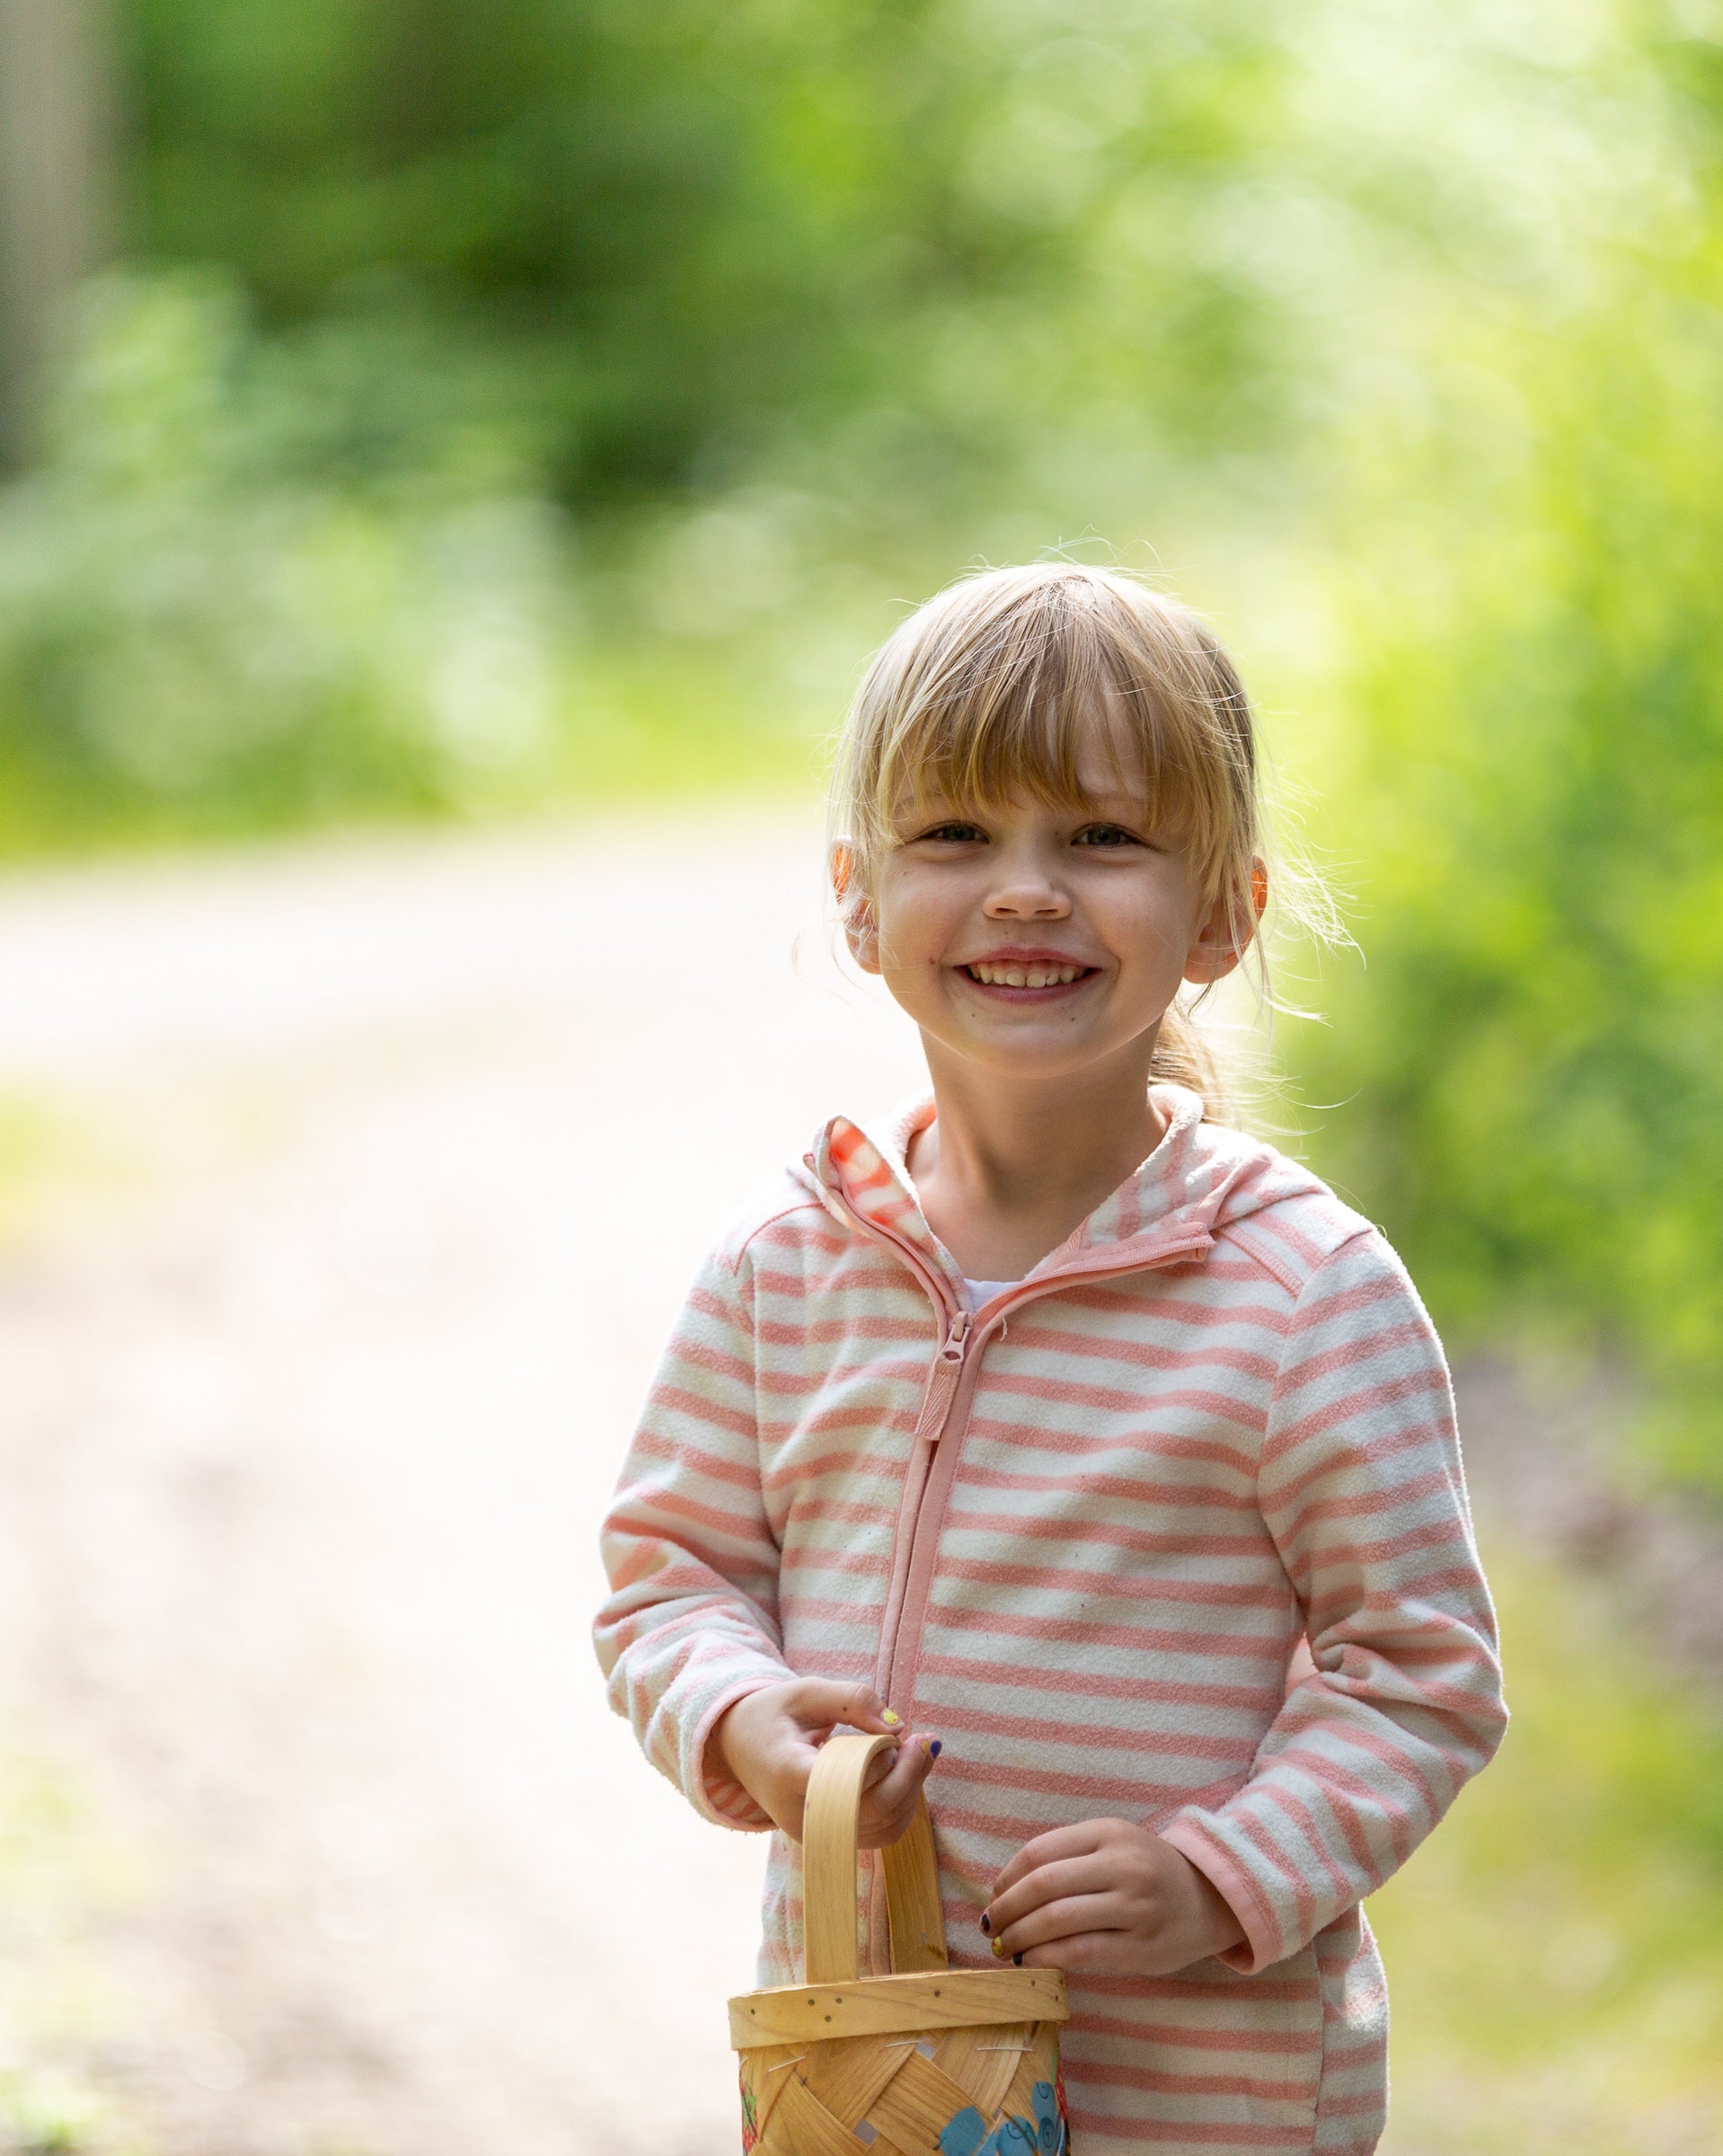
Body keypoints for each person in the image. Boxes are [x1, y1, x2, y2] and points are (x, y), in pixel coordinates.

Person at [591, 561, 1506, 2150]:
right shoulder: (788, 1264)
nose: (1025, 889)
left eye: (1101, 838)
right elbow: (667, 1579)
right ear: (858, 897)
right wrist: (739, 1719)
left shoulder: (1301, 1293)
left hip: (1201, 2087)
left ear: (1224, 908)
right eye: (957, 836)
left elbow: (1418, 1679)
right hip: (873, 2068)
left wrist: (1219, 1875)